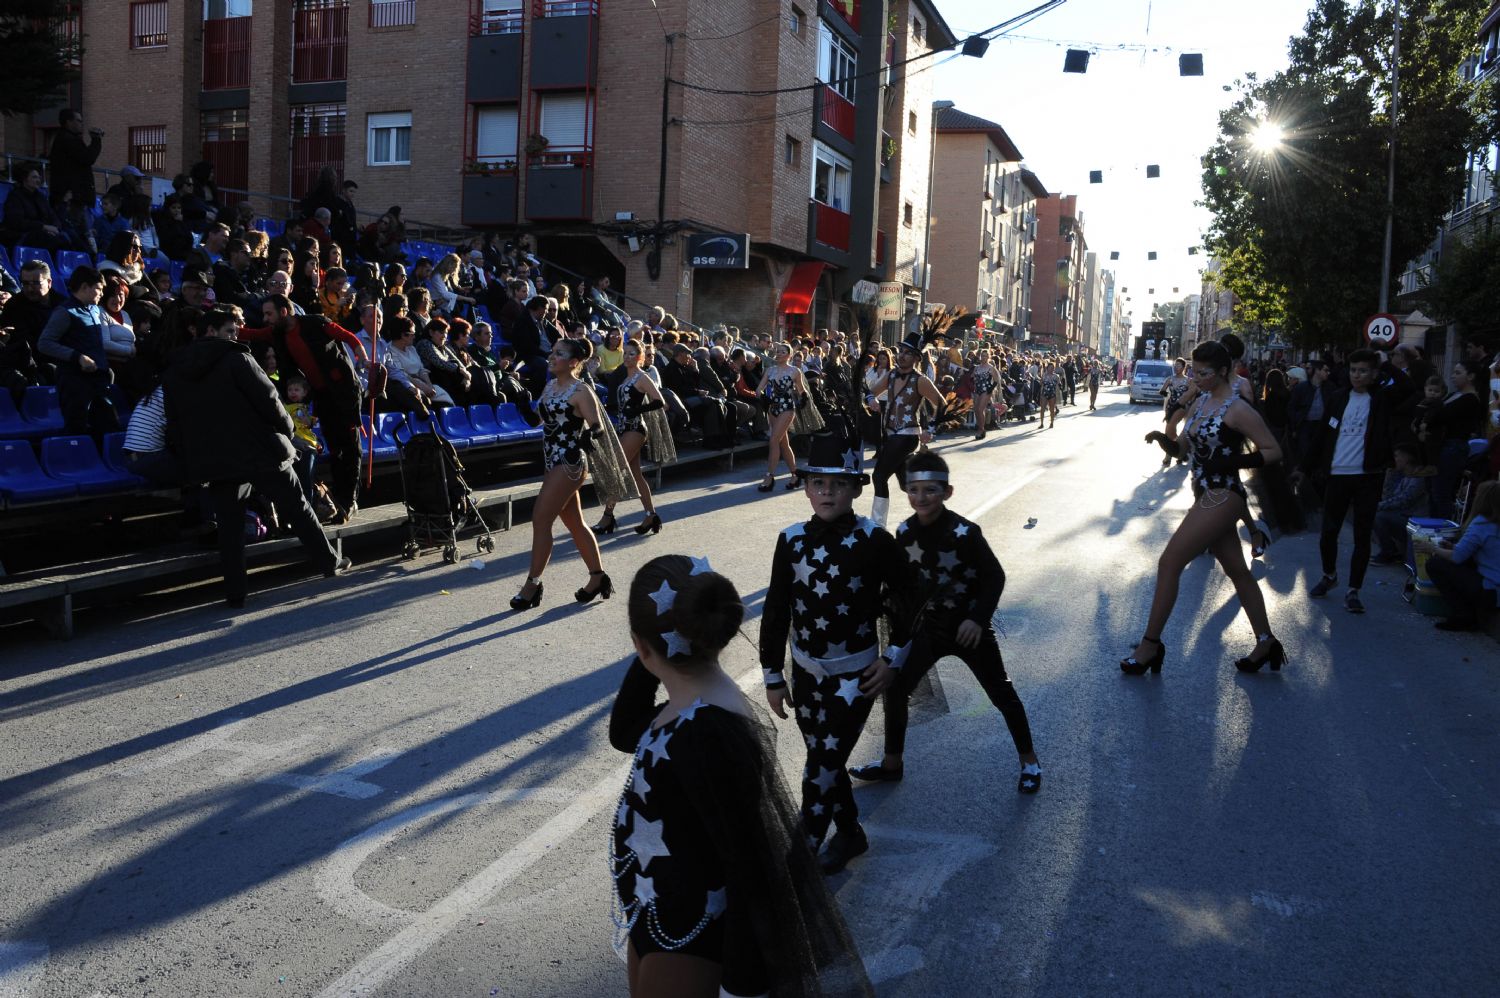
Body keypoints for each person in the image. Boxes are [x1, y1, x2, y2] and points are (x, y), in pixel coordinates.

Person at [608, 555, 873, 998]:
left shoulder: (709, 732)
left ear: (640, 644)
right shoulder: (685, 706)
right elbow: (624, 731)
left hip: (692, 926)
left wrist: (743, 985)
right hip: (655, 904)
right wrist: (660, 644)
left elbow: (752, 861)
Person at [851, 449, 1041, 794]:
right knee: (895, 688)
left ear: (947, 492)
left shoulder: (966, 533)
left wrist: (977, 619)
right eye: (913, 490)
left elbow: (994, 577)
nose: (920, 497)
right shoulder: (905, 532)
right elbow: (904, 588)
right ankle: (892, 764)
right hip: (930, 630)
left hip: (970, 632)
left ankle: (1029, 761)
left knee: (1002, 693)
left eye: (930, 490)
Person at [759, 433, 906, 875]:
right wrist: (771, 672)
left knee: (820, 765)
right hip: (804, 674)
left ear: (857, 488)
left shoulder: (875, 541)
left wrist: (893, 656)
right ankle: (851, 833)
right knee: (827, 757)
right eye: (818, 483)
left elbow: (910, 599)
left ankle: (798, 861)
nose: (827, 492)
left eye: (839, 484)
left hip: (856, 677)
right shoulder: (790, 539)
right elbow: (776, 608)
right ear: (805, 487)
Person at [161, 306, 350, 607]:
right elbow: (270, 400)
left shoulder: (174, 371)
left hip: (216, 459)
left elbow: (174, 423)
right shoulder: (237, 358)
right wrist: (288, 430)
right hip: (259, 449)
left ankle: (236, 592)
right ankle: (328, 562)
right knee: (297, 506)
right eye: (230, 331)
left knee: (230, 526)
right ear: (211, 331)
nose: (236, 336)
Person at [1122, 341, 1287, 675]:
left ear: (1223, 371)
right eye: (1194, 372)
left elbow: (1273, 450)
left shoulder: (1237, 409)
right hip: (1204, 494)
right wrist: (1164, 439)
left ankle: (1150, 645)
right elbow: (1183, 449)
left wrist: (1234, 460)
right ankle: (1266, 641)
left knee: (1169, 562)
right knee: (1238, 572)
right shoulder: (1199, 403)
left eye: (1203, 373)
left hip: (1224, 495)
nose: (1196, 378)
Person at [509, 338, 635, 611]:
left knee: (540, 520)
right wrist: (520, 401)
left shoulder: (581, 391)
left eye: (559, 354)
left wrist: (589, 436)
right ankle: (597, 578)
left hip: (569, 463)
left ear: (574, 362)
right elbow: (537, 421)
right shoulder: (550, 386)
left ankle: (532, 585)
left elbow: (597, 426)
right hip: (551, 463)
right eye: (552, 352)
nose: (552, 357)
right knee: (575, 524)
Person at [1298, 349, 1414, 614]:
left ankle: (1353, 590)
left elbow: (1407, 387)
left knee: (1362, 536)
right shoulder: (1338, 398)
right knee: (1329, 532)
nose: (1357, 376)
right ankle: (1329, 575)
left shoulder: (1382, 399)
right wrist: (1303, 468)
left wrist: (1385, 362)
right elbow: (1321, 437)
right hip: (1337, 475)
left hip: (1368, 476)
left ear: (1374, 374)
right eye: (1353, 370)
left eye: (1363, 371)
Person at [241, 296, 368, 523]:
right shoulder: (277, 333)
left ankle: (348, 501)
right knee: (336, 447)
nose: (265, 319)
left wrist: (363, 357)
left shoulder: (315, 322)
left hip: (344, 393)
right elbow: (253, 334)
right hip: (322, 396)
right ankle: (340, 499)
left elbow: (348, 337)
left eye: (269, 314)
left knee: (350, 447)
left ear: (284, 312)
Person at [595, 338, 675, 537]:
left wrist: (636, 410)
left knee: (616, 471)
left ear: (639, 357)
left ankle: (607, 517)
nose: (627, 357)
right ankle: (650, 515)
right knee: (636, 474)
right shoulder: (625, 377)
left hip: (636, 429)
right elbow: (622, 404)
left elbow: (660, 402)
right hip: (623, 428)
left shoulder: (642, 377)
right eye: (626, 353)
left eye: (632, 354)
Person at [863, 336, 945, 528]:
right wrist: (871, 400)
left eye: (908, 353)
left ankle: (877, 526)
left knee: (879, 475)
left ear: (917, 358)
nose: (902, 356)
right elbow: (870, 391)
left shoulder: (921, 380)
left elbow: (942, 404)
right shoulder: (891, 375)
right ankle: (934, 517)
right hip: (890, 434)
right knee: (905, 484)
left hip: (907, 435)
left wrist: (931, 429)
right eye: (901, 352)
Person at [37, 267, 119, 439]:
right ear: (84, 287)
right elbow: (44, 343)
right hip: (75, 381)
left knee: (109, 427)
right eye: (99, 288)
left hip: (98, 380)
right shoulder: (65, 312)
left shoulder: (96, 310)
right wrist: (77, 357)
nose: (102, 294)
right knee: (77, 428)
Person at [1420, 481, 1500, 631]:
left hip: (1491, 590)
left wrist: (1432, 548)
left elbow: (1457, 557)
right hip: (1494, 588)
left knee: (1435, 564)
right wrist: (1453, 548)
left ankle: (1463, 614)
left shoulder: (1481, 524)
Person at [1430, 360, 1486, 519]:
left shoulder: (1470, 399)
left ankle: (1443, 531)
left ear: (1471, 376)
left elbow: (1441, 416)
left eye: (1458, 373)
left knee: (1442, 493)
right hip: (1443, 446)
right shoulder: (1455, 395)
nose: (1453, 376)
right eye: (1453, 372)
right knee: (1435, 492)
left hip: (1453, 447)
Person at [754, 342, 809, 492]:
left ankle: (769, 476)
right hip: (772, 409)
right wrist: (763, 396)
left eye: (782, 352)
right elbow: (759, 389)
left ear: (789, 355)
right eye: (777, 351)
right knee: (783, 444)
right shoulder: (770, 370)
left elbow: (801, 390)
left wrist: (804, 398)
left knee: (773, 440)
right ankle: (795, 475)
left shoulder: (795, 371)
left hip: (787, 408)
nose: (778, 354)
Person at [1371, 443, 1432, 565]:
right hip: (1405, 518)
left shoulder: (1419, 477)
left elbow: (1404, 499)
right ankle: (1390, 551)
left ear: (1407, 458)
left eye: (1397, 456)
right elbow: (1392, 497)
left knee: (1378, 516)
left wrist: (1378, 506)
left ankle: (1390, 553)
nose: (1395, 459)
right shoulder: (1406, 476)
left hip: (1416, 523)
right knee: (1378, 514)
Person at [48, 110, 103, 209]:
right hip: (73, 199)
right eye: (78, 121)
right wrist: (96, 140)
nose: (81, 124)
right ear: (69, 122)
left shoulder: (65, 138)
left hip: (73, 197)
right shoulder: (68, 139)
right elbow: (88, 158)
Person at [282, 375, 322, 499]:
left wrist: (308, 420)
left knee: (306, 478)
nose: (293, 392)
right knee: (295, 479)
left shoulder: (308, 408)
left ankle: (310, 506)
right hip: (292, 445)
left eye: (296, 390)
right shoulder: (284, 407)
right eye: (290, 390)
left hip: (307, 444)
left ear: (304, 392)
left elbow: (313, 422)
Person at [971, 348, 1000, 439]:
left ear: (988, 357)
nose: (983, 357)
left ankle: (981, 429)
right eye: (982, 356)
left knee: (980, 409)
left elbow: (996, 380)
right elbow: (972, 377)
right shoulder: (977, 367)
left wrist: (990, 389)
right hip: (977, 389)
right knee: (976, 409)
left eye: (985, 356)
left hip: (986, 390)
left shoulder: (991, 368)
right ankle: (981, 427)